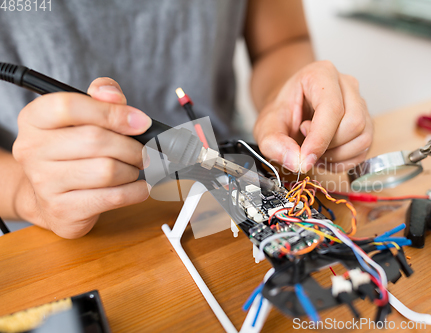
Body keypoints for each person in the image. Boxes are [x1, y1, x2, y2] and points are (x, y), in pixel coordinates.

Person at [0, 0, 372, 238]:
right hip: (61, 227)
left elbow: (282, 41)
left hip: (234, 183)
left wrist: (286, 100)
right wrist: (25, 193)